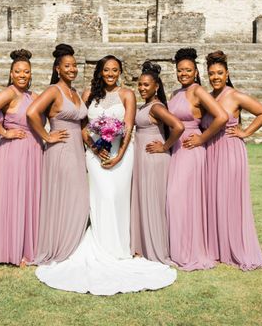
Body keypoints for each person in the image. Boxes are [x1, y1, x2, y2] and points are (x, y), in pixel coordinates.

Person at [34, 55, 177, 295]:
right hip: (95, 153)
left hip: (122, 152)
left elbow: (129, 125)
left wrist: (120, 154)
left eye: (115, 70)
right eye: (106, 70)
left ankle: (119, 248)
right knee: (100, 198)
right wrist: (91, 145)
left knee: (116, 198)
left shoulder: (127, 94)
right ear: (100, 71)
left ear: (120, 72)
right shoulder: (88, 92)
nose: (110, 74)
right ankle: (99, 244)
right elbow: (81, 124)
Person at [203, 50, 262, 270]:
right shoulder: (208, 96)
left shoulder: (234, 95)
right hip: (211, 151)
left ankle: (236, 247)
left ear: (227, 73)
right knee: (214, 199)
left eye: (220, 73)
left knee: (230, 198)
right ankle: (218, 248)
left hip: (230, 150)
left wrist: (246, 132)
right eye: (212, 73)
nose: (215, 77)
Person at [26, 44, 89, 264]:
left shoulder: (75, 93)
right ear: (58, 69)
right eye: (67, 66)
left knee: (78, 197)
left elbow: (82, 124)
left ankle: (74, 241)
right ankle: (60, 244)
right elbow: (32, 112)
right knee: (68, 196)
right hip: (61, 148)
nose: (72, 69)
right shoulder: (54, 90)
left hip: (77, 150)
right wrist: (47, 135)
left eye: (74, 66)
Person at [167, 48, 227, 271]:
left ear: (195, 72)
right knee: (175, 199)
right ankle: (177, 248)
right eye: (180, 70)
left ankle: (190, 250)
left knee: (178, 197)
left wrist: (202, 138)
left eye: (188, 70)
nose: (183, 73)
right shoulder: (174, 94)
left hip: (191, 150)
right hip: (175, 149)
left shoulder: (198, 91)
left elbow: (221, 117)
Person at [0, 49, 43, 266]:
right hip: (14, 151)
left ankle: (29, 246)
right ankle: (11, 249)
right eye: (18, 71)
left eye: (26, 72)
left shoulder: (33, 96)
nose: (22, 75)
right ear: (11, 73)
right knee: (14, 196)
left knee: (30, 196)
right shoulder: (9, 93)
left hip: (34, 150)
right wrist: (4, 132)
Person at [131, 61, 183, 265]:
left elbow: (178, 126)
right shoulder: (145, 105)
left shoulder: (157, 107)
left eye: (146, 85)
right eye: (140, 85)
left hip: (154, 160)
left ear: (156, 87)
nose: (142, 88)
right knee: (145, 200)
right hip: (143, 158)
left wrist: (165, 146)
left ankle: (158, 248)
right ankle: (143, 245)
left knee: (154, 202)